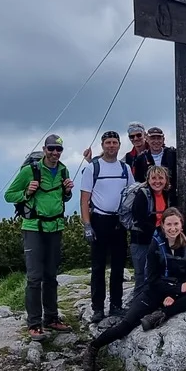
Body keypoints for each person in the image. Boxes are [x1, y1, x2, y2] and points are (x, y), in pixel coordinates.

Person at [81, 208, 186, 371]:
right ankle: (93, 347)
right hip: (153, 292)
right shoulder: (155, 246)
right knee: (125, 326)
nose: (172, 228)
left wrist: (174, 294)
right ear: (162, 226)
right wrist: (175, 289)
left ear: (181, 225)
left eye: (176, 224)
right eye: (169, 224)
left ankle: (160, 315)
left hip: (174, 292)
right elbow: (152, 280)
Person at [4, 134, 76, 341]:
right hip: (33, 227)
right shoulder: (30, 171)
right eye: (51, 149)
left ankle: (51, 318)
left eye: (58, 150)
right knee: (35, 277)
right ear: (44, 150)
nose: (55, 153)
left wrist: (68, 191)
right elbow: (9, 195)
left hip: (55, 226)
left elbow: (63, 197)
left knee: (51, 276)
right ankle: (34, 323)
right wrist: (26, 192)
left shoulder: (63, 170)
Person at [80, 130, 135, 322]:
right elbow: (84, 200)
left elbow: (131, 193)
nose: (111, 146)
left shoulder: (125, 168)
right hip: (99, 221)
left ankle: (116, 305)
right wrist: (87, 225)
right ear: (102, 145)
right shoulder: (92, 168)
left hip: (119, 222)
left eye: (114, 142)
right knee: (98, 267)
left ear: (119, 145)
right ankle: (97, 308)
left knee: (118, 266)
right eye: (108, 143)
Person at [127, 165, 174, 294]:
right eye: (153, 178)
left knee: (156, 271)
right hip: (141, 240)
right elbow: (139, 219)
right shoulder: (142, 194)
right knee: (141, 273)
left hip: (159, 238)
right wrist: (159, 232)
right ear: (147, 180)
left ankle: (153, 299)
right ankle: (139, 301)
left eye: (160, 178)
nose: (157, 181)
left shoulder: (168, 194)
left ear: (166, 180)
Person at [81, 121, 148, 176]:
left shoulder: (155, 152)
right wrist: (91, 162)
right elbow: (112, 166)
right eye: (132, 136)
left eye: (139, 135)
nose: (135, 138)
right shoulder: (128, 157)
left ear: (145, 135)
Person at [131, 126, 178, 192]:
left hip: (171, 195)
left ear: (163, 139)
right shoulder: (141, 159)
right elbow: (138, 182)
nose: (156, 141)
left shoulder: (173, 154)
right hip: (150, 196)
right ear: (147, 139)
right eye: (153, 138)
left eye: (159, 138)